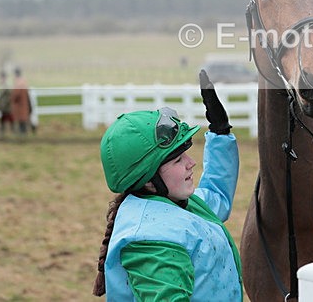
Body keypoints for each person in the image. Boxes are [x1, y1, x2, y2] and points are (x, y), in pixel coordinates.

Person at [93, 70, 242, 301]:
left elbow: (216, 196)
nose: (191, 163)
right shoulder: (153, 241)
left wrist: (220, 133)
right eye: (177, 160)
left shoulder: (177, 204)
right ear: (148, 179)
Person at [11, 67, 32, 134]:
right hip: (24, 104)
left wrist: (12, 99)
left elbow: (16, 95)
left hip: (19, 106)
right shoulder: (24, 81)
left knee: (21, 122)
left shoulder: (18, 82)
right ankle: (24, 133)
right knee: (23, 121)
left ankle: (22, 135)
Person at [0, 71, 14, 136]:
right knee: (3, 121)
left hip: (7, 108)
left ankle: (12, 133)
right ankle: (2, 134)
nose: (0, 79)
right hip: (4, 108)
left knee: (10, 120)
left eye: (1, 78)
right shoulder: (2, 86)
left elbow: (9, 97)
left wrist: (4, 105)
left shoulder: (6, 86)